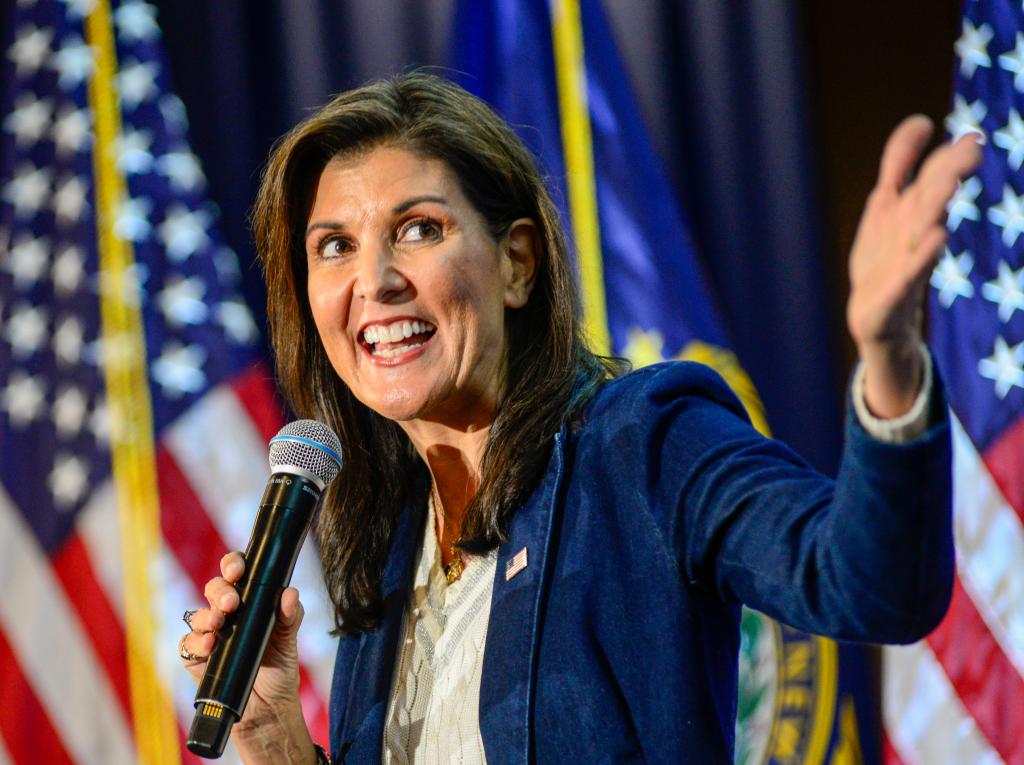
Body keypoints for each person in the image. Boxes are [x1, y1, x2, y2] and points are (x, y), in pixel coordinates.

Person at [178, 73, 982, 764]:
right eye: (334, 246)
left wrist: (890, 361)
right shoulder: (386, 551)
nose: (375, 280)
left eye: (418, 229)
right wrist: (280, 740)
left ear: (517, 264)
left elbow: (871, 584)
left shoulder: (641, 442)